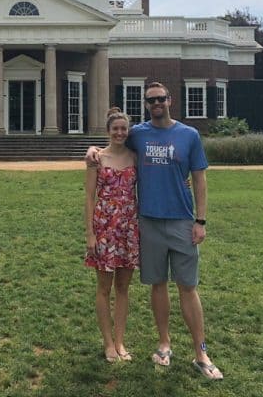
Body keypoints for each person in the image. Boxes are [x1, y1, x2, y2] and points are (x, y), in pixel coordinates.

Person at [86, 82, 223, 380]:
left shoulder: (189, 135)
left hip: (182, 222)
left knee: (188, 286)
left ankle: (201, 352)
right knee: (157, 285)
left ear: (170, 100)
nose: (157, 103)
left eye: (161, 98)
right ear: (146, 104)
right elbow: (115, 141)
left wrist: (201, 221)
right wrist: (93, 149)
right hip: (146, 222)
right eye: (151, 100)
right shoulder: (139, 134)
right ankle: (164, 344)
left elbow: (199, 180)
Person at [84, 107, 139, 362]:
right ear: (108, 131)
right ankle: (107, 343)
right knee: (104, 288)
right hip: (104, 227)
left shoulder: (135, 157)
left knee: (123, 288)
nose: (119, 132)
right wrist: (90, 235)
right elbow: (89, 197)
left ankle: (120, 342)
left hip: (128, 228)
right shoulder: (97, 158)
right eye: (115, 128)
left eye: (123, 129)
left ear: (128, 132)